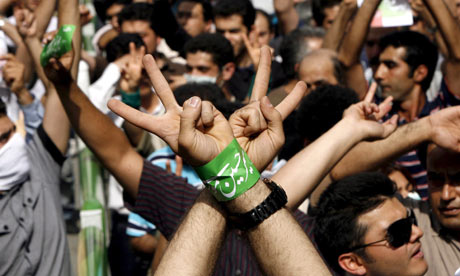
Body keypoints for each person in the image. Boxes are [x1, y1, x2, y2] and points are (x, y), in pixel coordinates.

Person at [0, 0, 80, 273]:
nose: (6, 147)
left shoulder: (39, 162)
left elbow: (64, 83)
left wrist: (68, 5)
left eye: (7, 136)